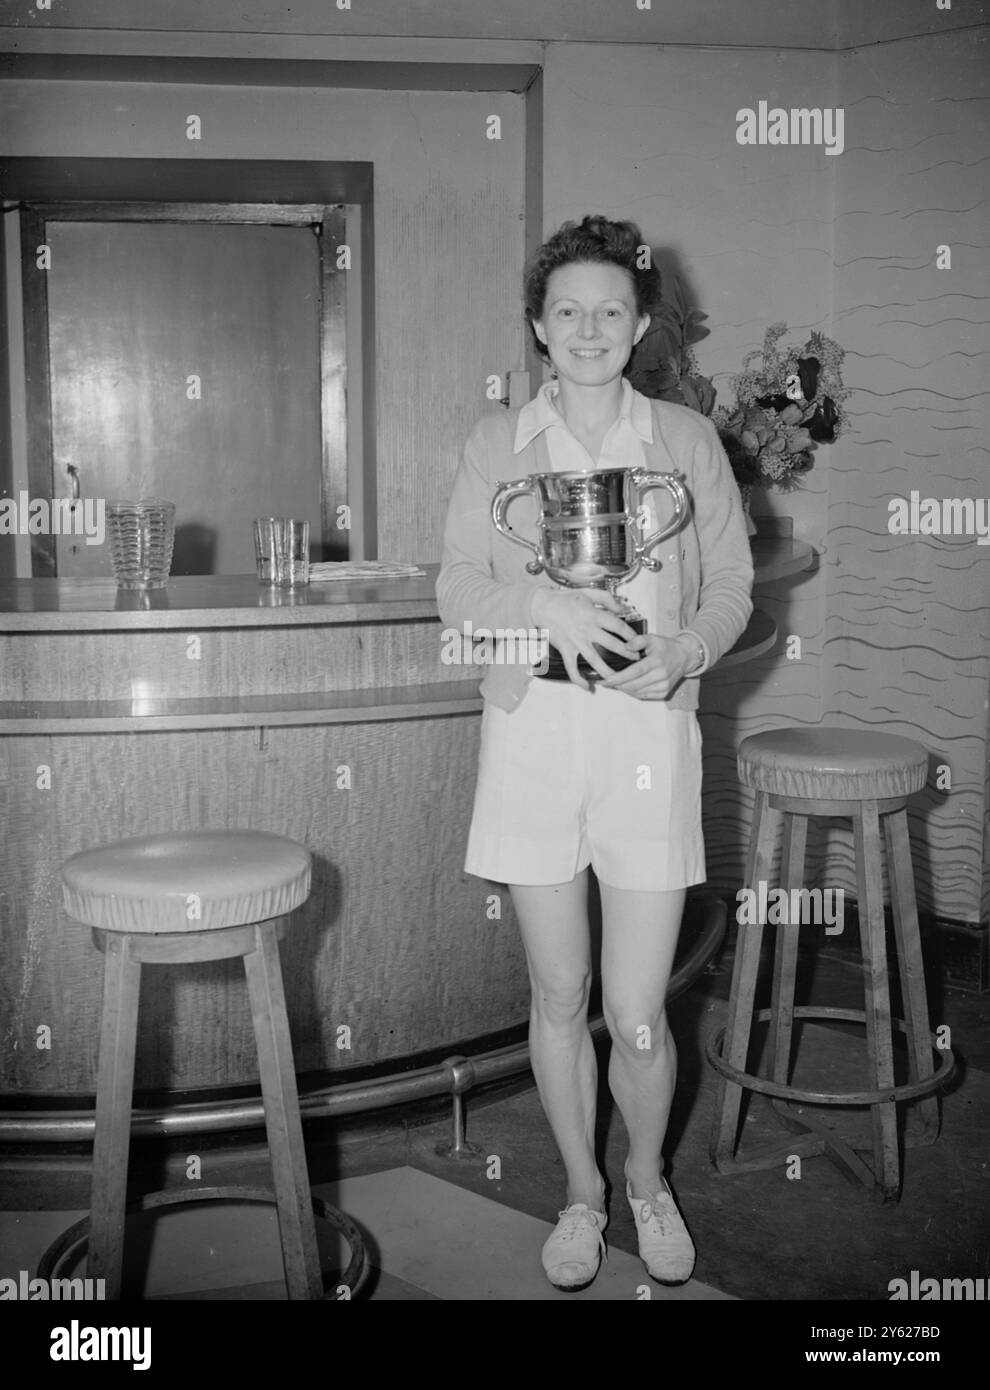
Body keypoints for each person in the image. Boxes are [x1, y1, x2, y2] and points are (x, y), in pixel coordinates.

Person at [437, 215, 754, 1291]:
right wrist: (537, 608)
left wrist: (685, 649)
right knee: (561, 995)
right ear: (537, 323)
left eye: (609, 310)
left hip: (647, 741)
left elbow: (733, 592)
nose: (587, 327)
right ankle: (582, 1193)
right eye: (566, 309)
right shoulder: (497, 443)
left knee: (636, 1011)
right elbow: (456, 592)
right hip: (531, 734)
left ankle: (648, 1179)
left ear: (642, 324)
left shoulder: (688, 440)